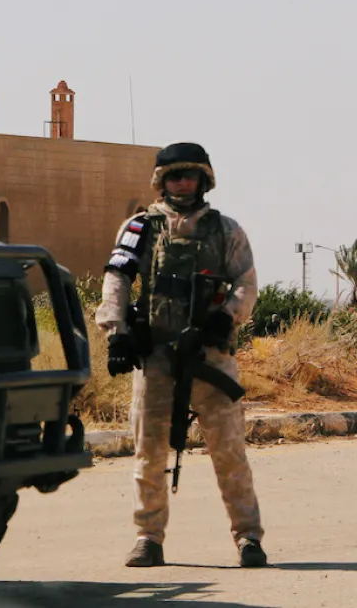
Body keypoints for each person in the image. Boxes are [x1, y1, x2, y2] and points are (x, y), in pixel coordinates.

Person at [94, 141, 267, 569]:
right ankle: (148, 537)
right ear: (161, 181)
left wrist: (225, 320)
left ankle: (248, 538)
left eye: (189, 175)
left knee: (229, 452)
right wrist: (116, 334)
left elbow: (246, 283)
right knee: (148, 452)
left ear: (204, 180)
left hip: (209, 356)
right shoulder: (139, 228)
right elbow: (116, 279)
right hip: (155, 357)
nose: (182, 183)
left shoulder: (226, 230)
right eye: (174, 176)